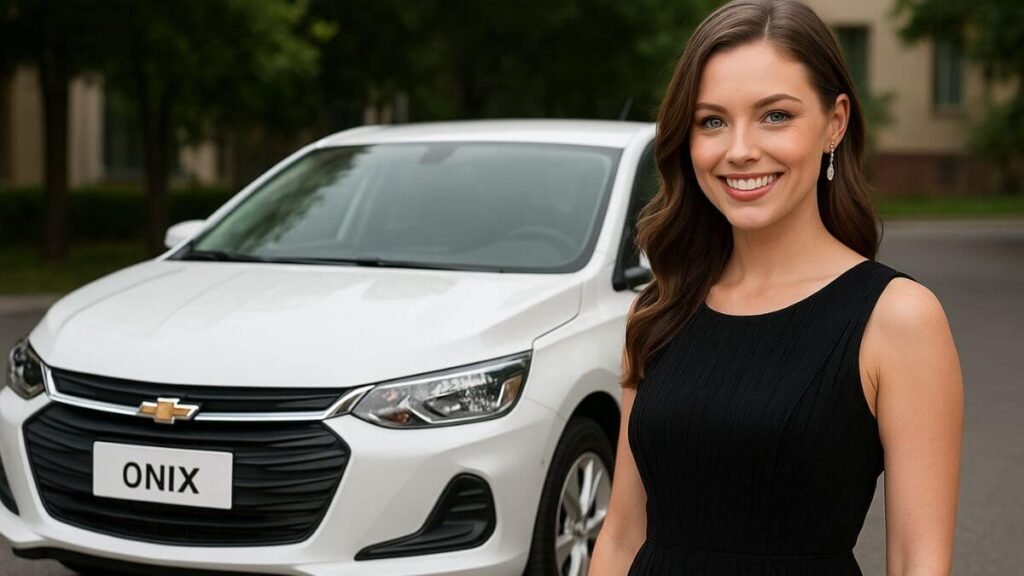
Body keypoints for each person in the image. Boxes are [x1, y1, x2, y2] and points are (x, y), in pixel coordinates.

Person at [589, 0, 963, 574]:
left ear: (834, 122)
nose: (740, 149)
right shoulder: (660, 307)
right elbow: (621, 533)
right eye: (712, 121)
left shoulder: (898, 318)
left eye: (775, 116)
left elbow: (919, 561)